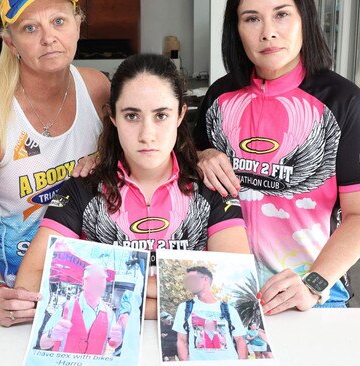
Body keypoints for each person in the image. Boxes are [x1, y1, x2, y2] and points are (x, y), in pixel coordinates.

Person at [15, 54, 251, 320]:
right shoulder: (81, 188)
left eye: (161, 115)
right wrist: (176, 297)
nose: (146, 134)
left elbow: (236, 288)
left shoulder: (212, 186)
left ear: (180, 114)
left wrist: (112, 291)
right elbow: (30, 283)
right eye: (131, 116)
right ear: (113, 117)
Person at [194, 0, 360, 312]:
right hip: (227, 292)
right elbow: (193, 168)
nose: (268, 32)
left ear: (304, 19)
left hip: (308, 296)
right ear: (236, 29)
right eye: (252, 19)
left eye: (281, 14)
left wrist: (314, 284)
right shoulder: (219, 96)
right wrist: (202, 154)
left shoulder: (343, 102)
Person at [0, 0, 110, 327]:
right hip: (20, 294)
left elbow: (148, 157)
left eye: (58, 21)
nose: (48, 37)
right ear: (11, 43)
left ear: (78, 25)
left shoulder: (98, 90)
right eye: (30, 28)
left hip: (95, 286)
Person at [38, 265, 123, 354]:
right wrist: (52, 335)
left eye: (101, 280)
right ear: (83, 283)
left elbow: (113, 343)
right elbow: (42, 344)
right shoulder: (65, 307)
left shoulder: (110, 314)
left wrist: (117, 339)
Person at [172, 266, 247, 361]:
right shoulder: (184, 307)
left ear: (206, 280)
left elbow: (240, 340)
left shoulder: (229, 309)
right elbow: (181, 341)